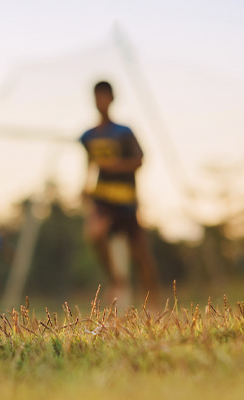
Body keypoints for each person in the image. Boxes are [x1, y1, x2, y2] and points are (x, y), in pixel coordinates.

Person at [79, 81, 159, 306]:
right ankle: (115, 278)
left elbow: (139, 160)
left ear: (112, 99)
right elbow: (90, 163)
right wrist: (84, 186)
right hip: (102, 199)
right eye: (97, 97)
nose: (100, 101)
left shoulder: (124, 132)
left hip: (126, 201)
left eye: (104, 96)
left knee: (142, 256)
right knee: (95, 233)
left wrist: (115, 166)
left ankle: (153, 302)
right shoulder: (89, 135)